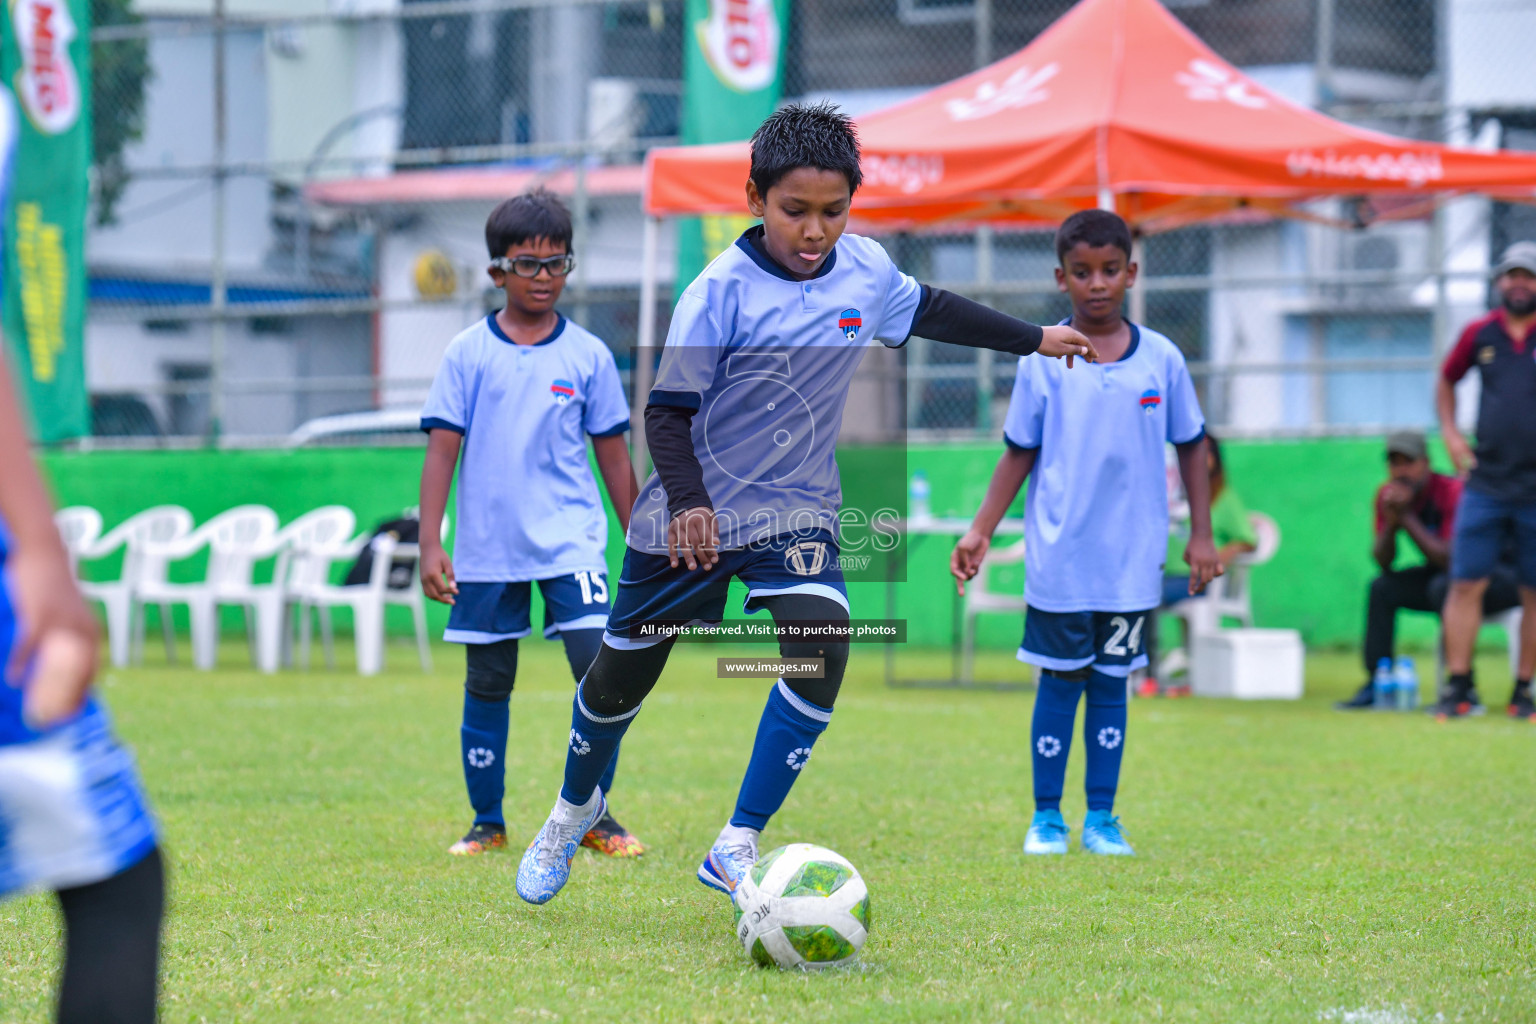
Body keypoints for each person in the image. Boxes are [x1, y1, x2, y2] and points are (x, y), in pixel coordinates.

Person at [513, 102, 1097, 905]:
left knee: (822, 644)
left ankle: (736, 842)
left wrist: (1033, 337)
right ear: (754, 198)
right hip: (694, 513)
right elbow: (665, 413)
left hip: (795, 509)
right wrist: (688, 502)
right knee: (617, 685)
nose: (815, 230)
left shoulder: (865, 272)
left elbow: (929, 310)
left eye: (833, 211)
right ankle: (572, 811)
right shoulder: (716, 292)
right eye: (796, 211)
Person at [952, 209, 1220, 858]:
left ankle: (1102, 819)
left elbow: (1193, 447)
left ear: (1131, 272)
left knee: (1111, 681)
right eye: (1082, 272)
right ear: (1061, 277)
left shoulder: (1162, 359)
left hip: (1132, 561)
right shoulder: (1042, 360)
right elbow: (1019, 451)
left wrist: (1202, 536)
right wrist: (980, 530)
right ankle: (1047, 818)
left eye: (1109, 270)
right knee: (1059, 678)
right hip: (1061, 558)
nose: (1096, 284)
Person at [418, 189, 645, 857]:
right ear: (497, 272)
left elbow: (613, 457)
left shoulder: (590, 357)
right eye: (528, 264)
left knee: (600, 673)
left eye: (557, 264)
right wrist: (432, 542)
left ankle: (594, 816)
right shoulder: (467, 353)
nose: (544, 277)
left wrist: (642, 541)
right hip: (489, 548)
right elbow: (442, 449)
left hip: (572, 541)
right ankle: (487, 822)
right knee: (489, 681)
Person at [1336, 431, 1519, 710]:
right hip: (1447, 579)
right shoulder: (1388, 497)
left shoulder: (1453, 492)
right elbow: (1384, 561)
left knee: (1443, 588)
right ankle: (1377, 681)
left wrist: (1406, 517)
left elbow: (1454, 561)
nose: (1401, 470)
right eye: (1394, 462)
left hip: (1496, 578)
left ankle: (1462, 688)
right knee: (1382, 587)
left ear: (1426, 462)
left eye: (1408, 461)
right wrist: (1392, 522)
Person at [1435, 241, 1536, 720]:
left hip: (1535, 488)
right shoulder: (1480, 334)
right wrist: (1453, 436)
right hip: (1486, 483)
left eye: (1529, 276)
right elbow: (1446, 380)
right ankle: (1458, 687)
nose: (1520, 284)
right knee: (1464, 584)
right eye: (1512, 275)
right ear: (1499, 282)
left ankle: (1524, 691)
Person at [1145, 430, 1256, 694]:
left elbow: (1247, 539)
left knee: (1146, 596)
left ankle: (1148, 674)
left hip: (1195, 579)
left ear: (1216, 460)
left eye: (1206, 454)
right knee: (1136, 592)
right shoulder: (1172, 496)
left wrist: (1215, 561)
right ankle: (1135, 668)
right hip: (1164, 576)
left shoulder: (1222, 497)